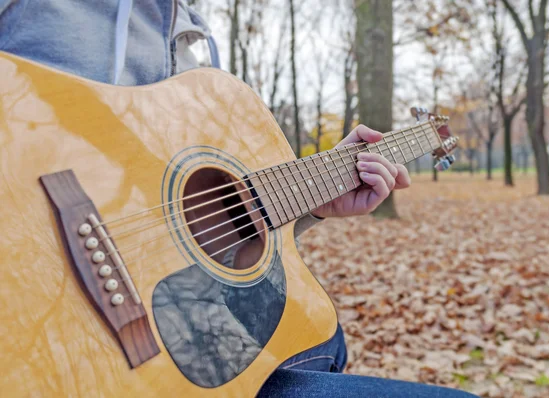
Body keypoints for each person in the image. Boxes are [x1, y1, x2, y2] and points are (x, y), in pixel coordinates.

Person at [0, 1, 477, 397]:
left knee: (324, 334)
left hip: (141, 351)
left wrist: (314, 205)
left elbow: (175, 219)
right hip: (44, 339)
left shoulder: (190, 50)